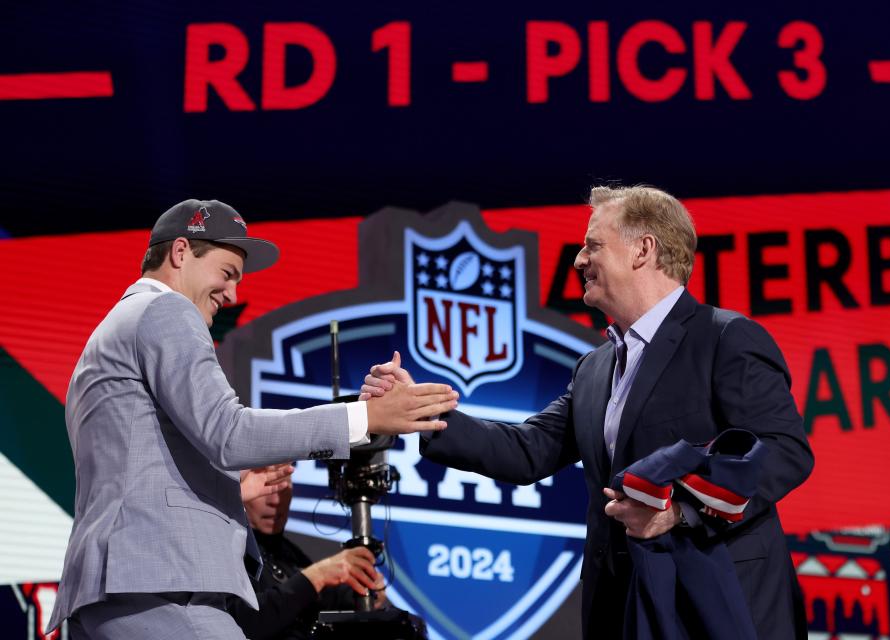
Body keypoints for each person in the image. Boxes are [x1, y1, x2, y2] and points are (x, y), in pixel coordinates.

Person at [362, 185, 815, 638]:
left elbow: (784, 451)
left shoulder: (724, 339)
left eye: (593, 245)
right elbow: (529, 450)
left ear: (643, 249)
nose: (579, 259)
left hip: (716, 605)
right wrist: (419, 410)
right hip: (623, 609)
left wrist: (679, 509)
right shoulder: (596, 367)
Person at [47, 199, 459, 639]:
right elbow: (229, 432)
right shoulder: (166, 311)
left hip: (116, 590)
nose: (232, 295)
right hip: (163, 585)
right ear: (181, 252)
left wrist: (230, 490)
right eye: (227, 274)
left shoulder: (114, 328)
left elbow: (136, 464)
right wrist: (363, 417)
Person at [227, 465, 386, 640]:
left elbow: (323, 599)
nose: (275, 500)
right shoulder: (226, 549)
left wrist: (362, 592)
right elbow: (240, 622)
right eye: (267, 486)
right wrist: (316, 576)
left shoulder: (289, 553)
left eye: (283, 486)